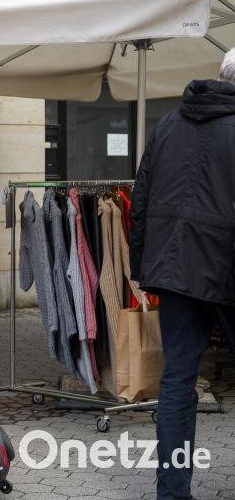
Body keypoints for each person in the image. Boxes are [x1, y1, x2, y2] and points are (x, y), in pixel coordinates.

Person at [130, 50, 235, 500]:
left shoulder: (168, 123)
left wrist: (141, 268)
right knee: (176, 382)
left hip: (173, 269)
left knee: (177, 380)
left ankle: (172, 492)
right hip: (225, 267)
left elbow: (141, 201)